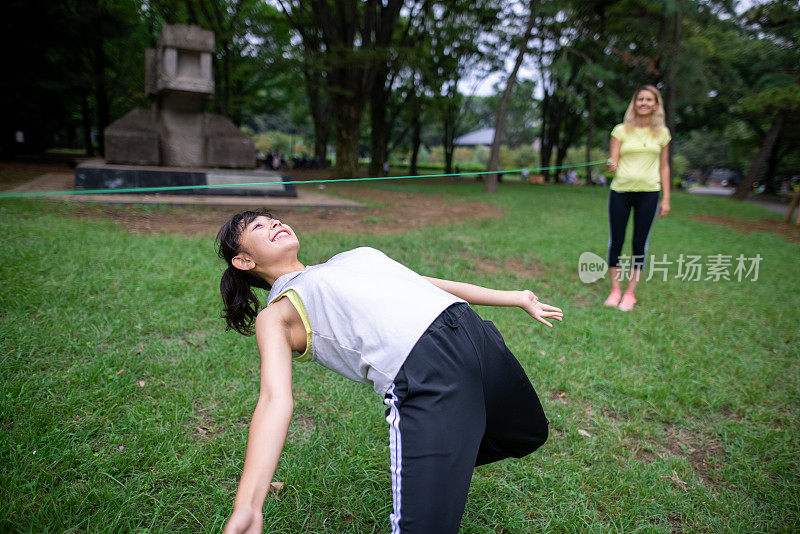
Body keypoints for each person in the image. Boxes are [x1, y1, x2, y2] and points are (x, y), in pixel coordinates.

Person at [216, 210, 563, 534]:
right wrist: (248, 503)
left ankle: (438, 466)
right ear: (244, 260)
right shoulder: (278, 312)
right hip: (427, 370)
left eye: (273, 218)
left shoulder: (345, 260)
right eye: (258, 227)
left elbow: (428, 283)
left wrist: (515, 297)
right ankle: (430, 467)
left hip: (475, 335)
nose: (273, 223)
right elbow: (274, 399)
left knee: (528, 432)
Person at [604, 85, 672, 311]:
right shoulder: (620, 130)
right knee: (617, 241)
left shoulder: (662, 133)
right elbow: (613, 161)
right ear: (634, 103)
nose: (643, 103)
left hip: (649, 193)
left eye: (648, 99)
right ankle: (615, 290)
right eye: (640, 99)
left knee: (639, 244)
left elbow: (664, 167)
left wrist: (666, 198)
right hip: (620, 191)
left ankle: (630, 293)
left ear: (655, 104)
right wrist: (611, 164)